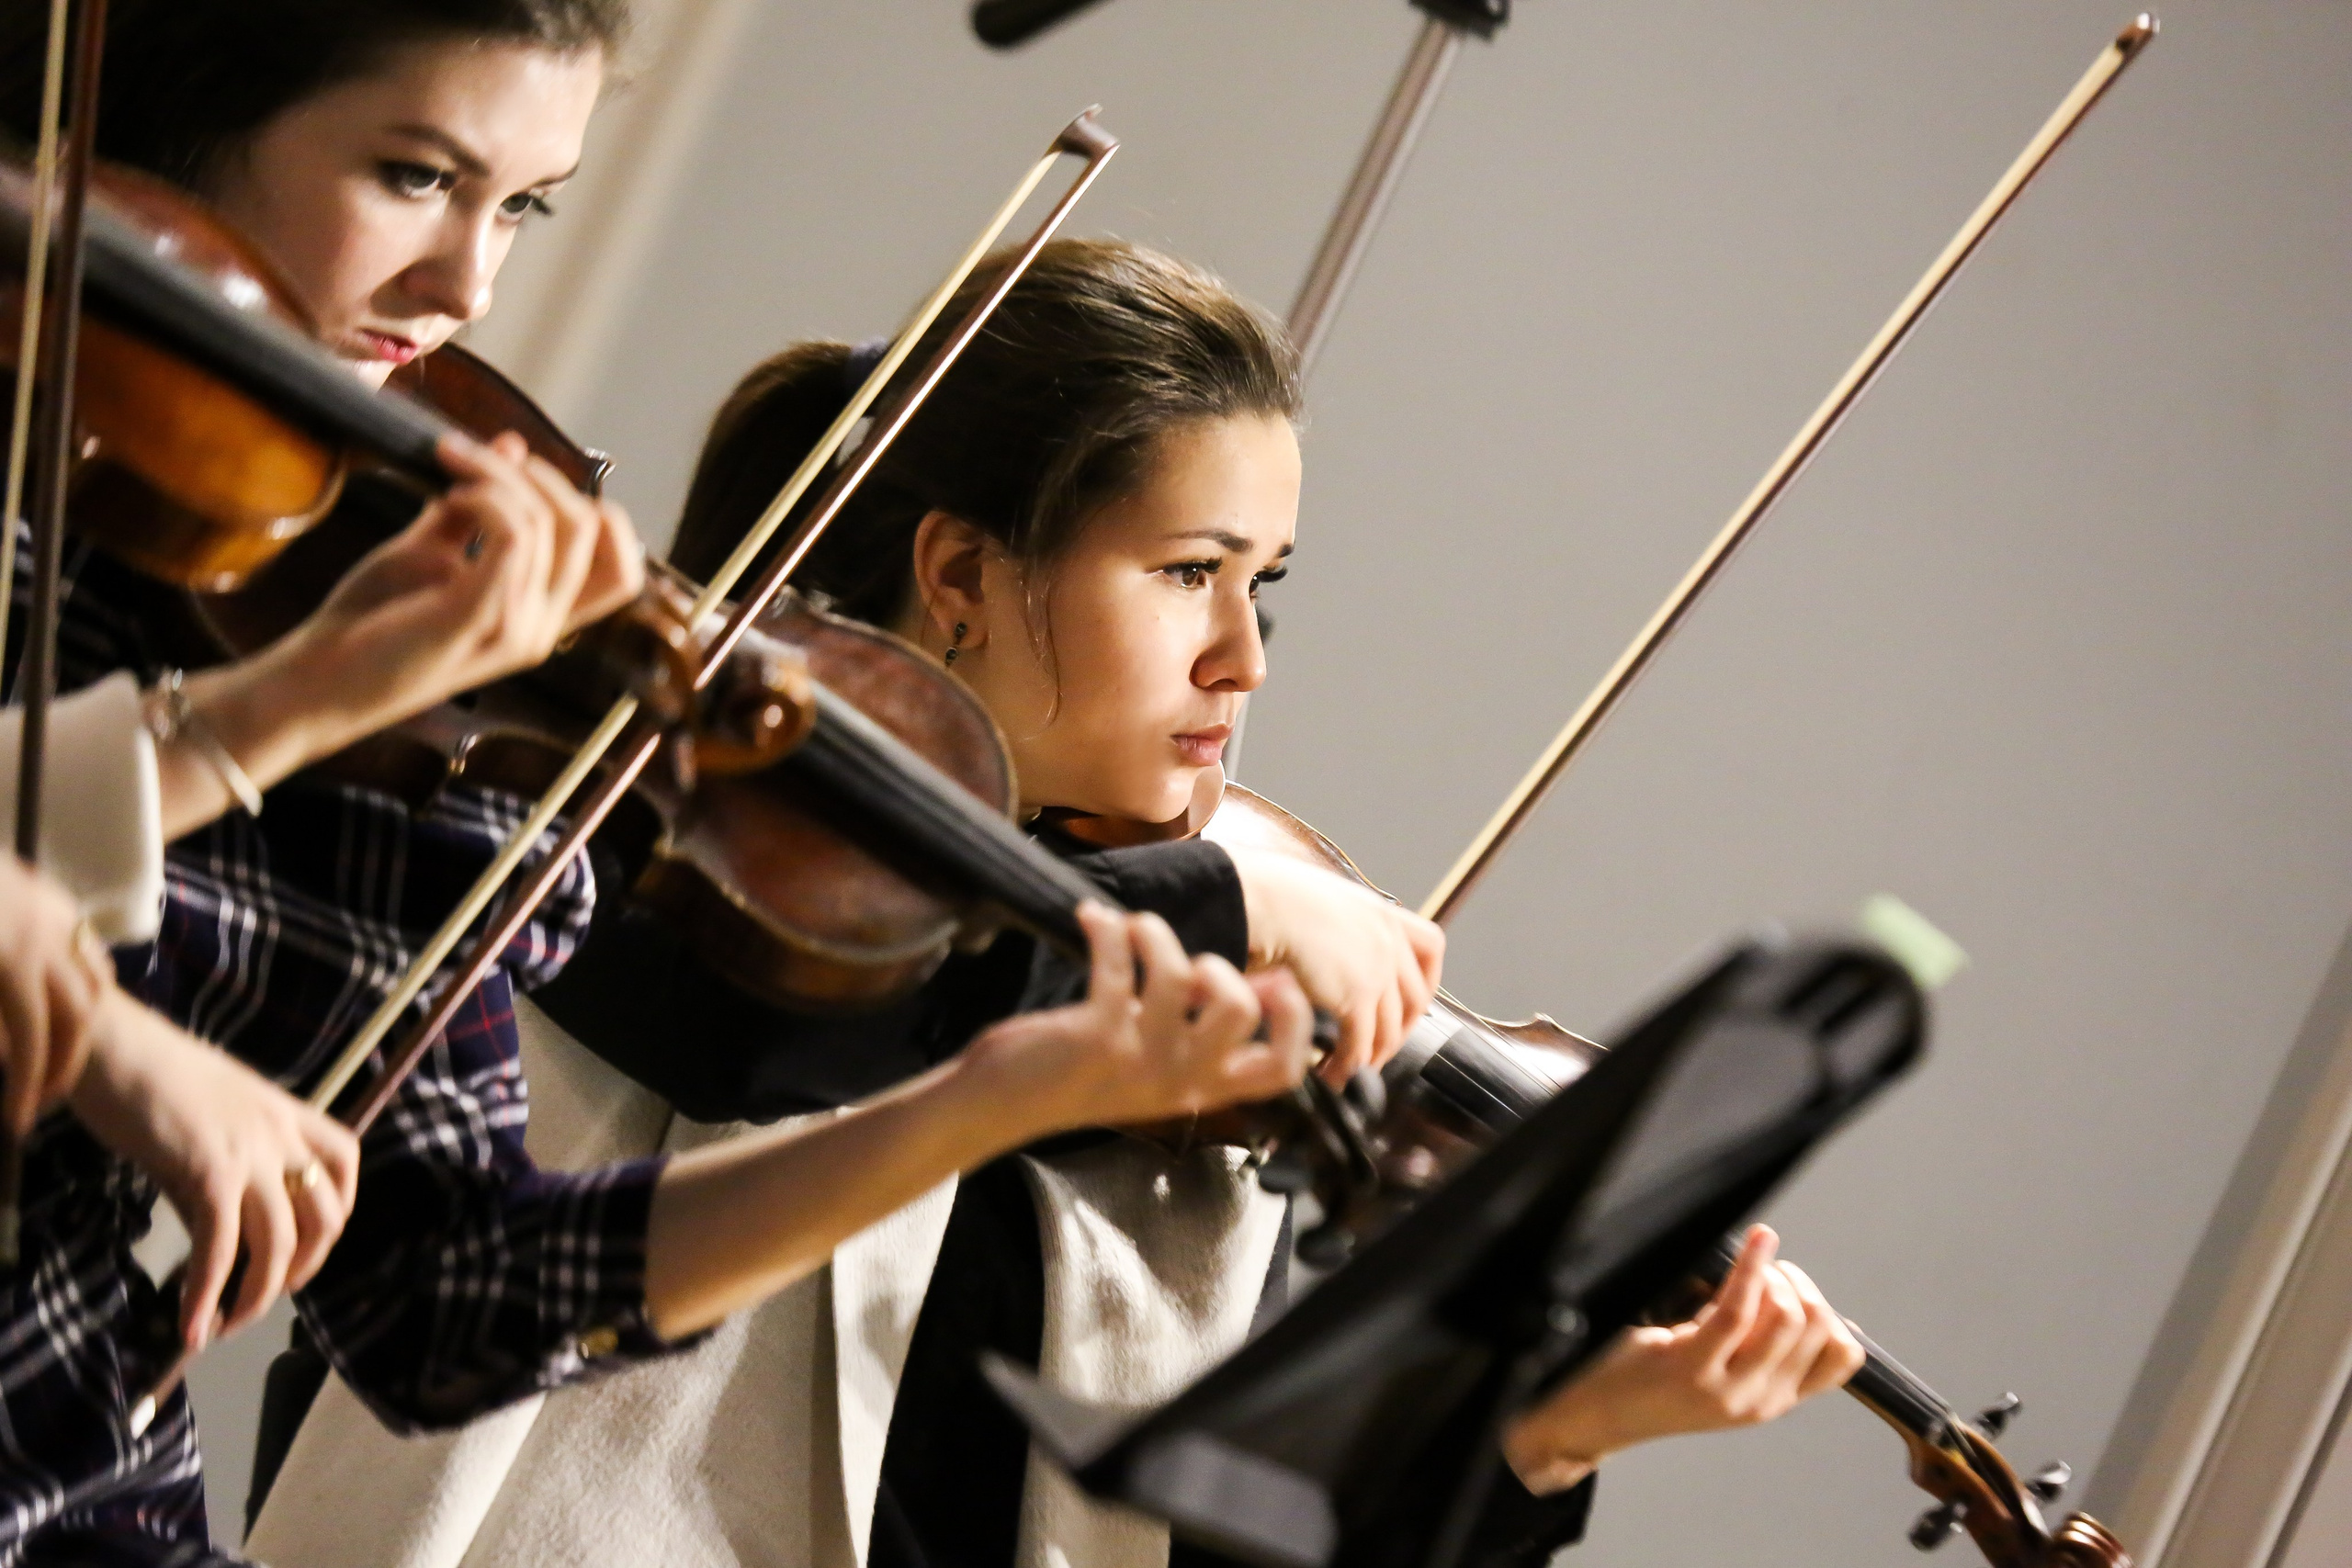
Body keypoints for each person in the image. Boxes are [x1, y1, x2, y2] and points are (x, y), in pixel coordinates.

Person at [251, 239, 1861, 1568]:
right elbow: (795, 1034)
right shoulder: (647, 806)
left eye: (1266, 585)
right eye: (1187, 574)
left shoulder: (1194, 1057)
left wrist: (1550, 1436)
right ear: (956, 577)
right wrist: (1209, 906)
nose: (1245, 657)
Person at [0, 6, 1314, 1566]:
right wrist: (120, 1033)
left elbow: (456, 1304)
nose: (470, 285)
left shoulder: (406, 656)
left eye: (527, 205)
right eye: (418, 176)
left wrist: (986, 1100)